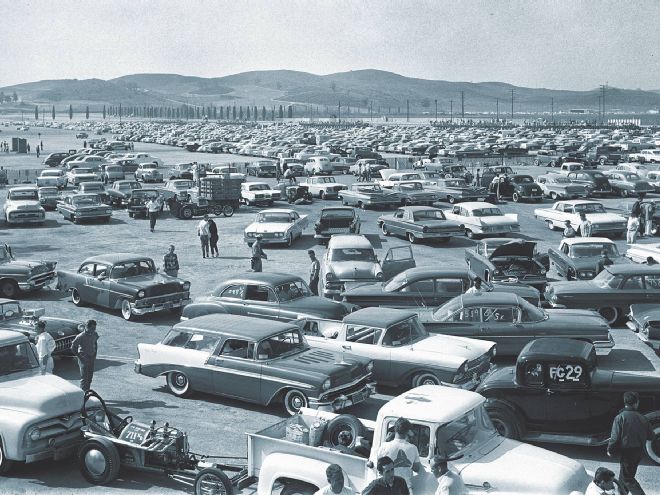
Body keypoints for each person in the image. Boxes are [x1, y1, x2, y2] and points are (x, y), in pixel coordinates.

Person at [607, 391, 653, 491]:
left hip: (627, 453)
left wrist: (610, 450)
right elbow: (651, 436)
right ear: (636, 403)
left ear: (625, 402)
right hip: (639, 452)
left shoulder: (620, 418)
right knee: (624, 476)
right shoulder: (643, 418)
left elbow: (614, 438)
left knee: (627, 479)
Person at [376, 418, 421, 493]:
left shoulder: (384, 446)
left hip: (386, 488)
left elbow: (379, 465)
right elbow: (417, 468)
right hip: (405, 488)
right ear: (407, 431)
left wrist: (386, 441)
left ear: (395, 429)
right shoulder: (413, 448)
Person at [71, 320, 99, 391]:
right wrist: (80, 357)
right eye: (92, 328)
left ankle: (87, 391)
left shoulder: (94, 334)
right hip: (83, 358)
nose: (94, 330)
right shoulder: (80, 336)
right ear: (87, 327)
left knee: (89, 378)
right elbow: (73, 347)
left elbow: (95, 343)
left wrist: (95, 354)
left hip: (91, 357)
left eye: (94, 328)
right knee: (84, 378)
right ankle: (83, 394)